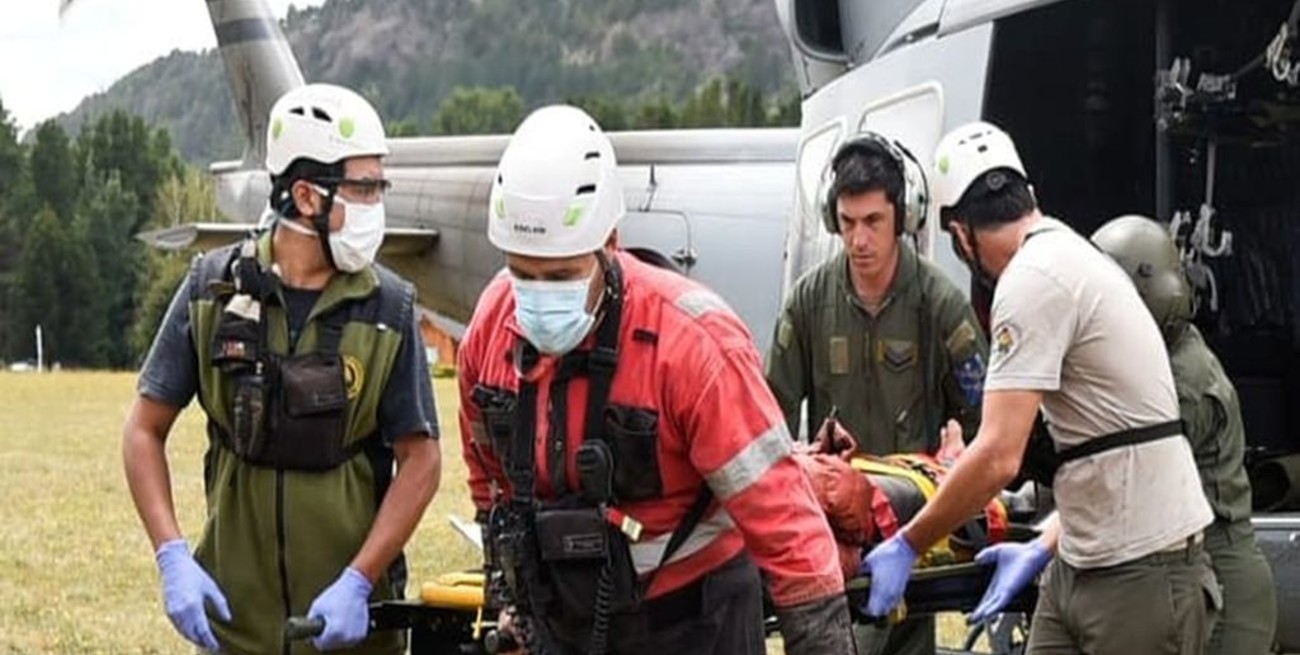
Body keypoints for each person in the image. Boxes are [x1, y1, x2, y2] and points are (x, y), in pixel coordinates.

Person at [458, 104, 853, 655]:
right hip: (563, 623)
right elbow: (489, 481)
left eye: (562, 275)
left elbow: (786, 525)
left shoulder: (694, 344)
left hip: (695, 624)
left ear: (610, 243)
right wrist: (510, 595)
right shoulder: (490, 330)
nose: (539, 295)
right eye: (522, 273)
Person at [859, 121, 1219, 654]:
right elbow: (1106, 437)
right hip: (1084, 556)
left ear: (961, 234)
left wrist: (909, 543)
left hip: (1141, 572)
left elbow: (1000, 455)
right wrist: (1047, 541)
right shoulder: (1070, 257)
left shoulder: (1031, 280)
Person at [123, 83, 441, 655]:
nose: (376, 205)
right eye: (362, 188)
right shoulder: (209, 292)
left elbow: (421, 459)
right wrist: (171, 555)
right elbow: (144, 429)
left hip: (351, 634)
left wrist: (360, 580)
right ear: (305, 195)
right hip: (235, 627)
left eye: (378, 186)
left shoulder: (389, 309)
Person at [765, 131, 988, 655]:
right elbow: (769, 417)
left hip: (911, 530)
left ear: (901, 219)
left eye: (873, 222)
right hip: (834, 533)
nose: (859, 240)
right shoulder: (809, 303)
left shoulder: (940, 305)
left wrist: (957, 459)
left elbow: (987, 419)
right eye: (847, 224)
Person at [1092, 214, 1276, 655]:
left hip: (1223, 583)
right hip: (1191, 575)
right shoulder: (1166, 353)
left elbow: (1127, 472)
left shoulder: (1183, 381)